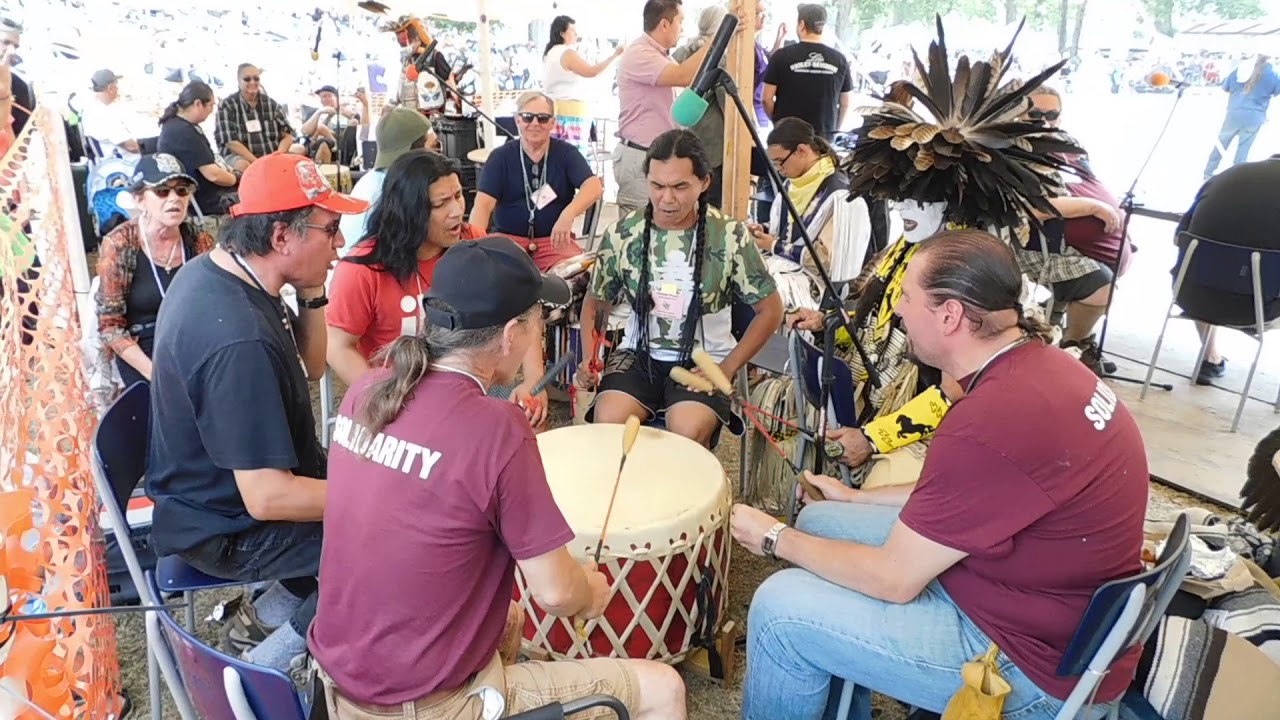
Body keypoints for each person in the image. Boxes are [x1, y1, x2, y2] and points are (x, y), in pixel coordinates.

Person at [732, 230, 1148, 720]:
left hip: (1029, 666)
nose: (898, 310)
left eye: (907, 297)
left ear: (949, 315)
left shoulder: (988, 420)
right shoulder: (1042, 365)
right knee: (822, 520)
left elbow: (894, 579)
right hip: (1043, 610)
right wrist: (857, 498)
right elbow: (973, 491)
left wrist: (773, 537)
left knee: (779, 610)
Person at [309, 237, 686, 719]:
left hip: (337, 680)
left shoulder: (368, 387)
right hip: (422, 706)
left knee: (508, 617)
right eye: (537, 323)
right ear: (510, 335)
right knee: (663, 688)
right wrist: (589, 593)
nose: (536, 336)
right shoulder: (495, 428)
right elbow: (556, 594)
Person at [145, 154, 368, 674]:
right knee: (387, 539)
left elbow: (313, 366)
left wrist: (312, 291)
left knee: (376, 501)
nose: (340, 244)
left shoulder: (224, 271)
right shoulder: (237, 339)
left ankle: (265, 616)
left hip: (217, 497)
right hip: (225, 526)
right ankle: (261, 672)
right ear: (281, 237)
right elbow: (268, 497)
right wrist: (378, 495)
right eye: (331, 230)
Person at [579, 129, 783, 448]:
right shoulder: (622, 234)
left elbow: (770, 310)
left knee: (686, 434)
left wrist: (727, 368)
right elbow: (596, 304)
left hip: (706, 359)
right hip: (638, 352)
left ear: (704, 182)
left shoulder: (729, 236)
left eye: (680, 186)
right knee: (609, 424)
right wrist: (588, 357)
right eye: (657, 186)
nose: (667, 198)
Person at [1015, 86, 1126, 375]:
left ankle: (1066, 330)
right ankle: (1072, 347)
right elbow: (1030, 208)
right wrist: (1092, 207)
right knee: (1101, 286)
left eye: (1052, 114)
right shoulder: (1011, 151)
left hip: (1077, 244)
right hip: (1035, 245)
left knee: (1104, 274)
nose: (1044, 121)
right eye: (1034, 114)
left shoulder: (1067, 144)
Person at [96, 154, 214, 387]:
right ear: (139, 200)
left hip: (194, 342)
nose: (174, 198)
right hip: (142, 348)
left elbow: (216, 303)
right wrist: (155, 373)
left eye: (182, 190)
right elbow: (110, 325)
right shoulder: (119, 244)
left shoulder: (199, 239)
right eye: (162, 191)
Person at [1173, 153, 1280, 385]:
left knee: (1204, 264)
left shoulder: (1227, 175)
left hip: (1191, 296)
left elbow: (1179, 237)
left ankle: (1210, 357)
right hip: (1258, 311)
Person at [612, 0, 723, 215]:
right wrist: (718, 38)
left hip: (657, 155)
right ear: (664, 24)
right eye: (680, 22)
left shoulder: (662, 55)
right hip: (640, 155)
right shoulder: (640, 53)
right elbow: (683, 75)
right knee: (638, 226)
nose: (682, 29)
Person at [469, 91, 601, 270]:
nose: (535, 123)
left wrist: (567, 215)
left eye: (543, 118)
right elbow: (482, 205)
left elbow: (593, 186)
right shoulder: (500, 157)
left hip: (553, 242)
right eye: (527, 117)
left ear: (552, 123)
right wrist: (473, 247)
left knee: (579, 273)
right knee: (491, 275)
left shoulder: (566, 153)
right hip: (507, 242)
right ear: (517, 120)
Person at [749, 118, 848, 287]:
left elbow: (827, 259)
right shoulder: (793, 182)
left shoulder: (839, 194)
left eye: (780, 161)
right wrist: (762, 230)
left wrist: (773, 245)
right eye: (774, 163)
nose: (778, 168)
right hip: (782, 267)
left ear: (801, 150)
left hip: (814, 280)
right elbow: (788, 228)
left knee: (756, 287)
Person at [337, 107, 435, 254]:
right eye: (429, 146)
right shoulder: (399, 188)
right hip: (365, 264)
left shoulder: (370, 179)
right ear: (417, 150)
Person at [761, 4, 852, 140]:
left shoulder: (781, 56)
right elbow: (846, 103)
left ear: (802, 24)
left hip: (787, 137)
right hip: (822, 138)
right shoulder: (840, 60)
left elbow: (766, 99)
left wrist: (779, 124)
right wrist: (832, 130)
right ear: (822, 26)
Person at [156, 80, 240, 225]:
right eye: (211, 105)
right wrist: (237, 179)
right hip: (207, 198)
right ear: (198, 104)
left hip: (199, 191)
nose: (212, 110)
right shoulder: (184, 132)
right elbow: (213, 175)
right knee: (256, 195)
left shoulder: (174, 124)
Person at [541, 15, 623, 162]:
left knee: (557, 158)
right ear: (562, 33)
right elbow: (591, 71)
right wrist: (614, 56)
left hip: (556, 109)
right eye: (573, 31)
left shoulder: (550, 53)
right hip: (570, 113)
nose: (576, 35)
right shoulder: (566, 53)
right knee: (573, 159)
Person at [1204, 54, 1278, 180]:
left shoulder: (1241, 69)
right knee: (1243, 150)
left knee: (1221, 144)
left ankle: (1208, 172)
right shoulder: (1272, 73)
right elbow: (1276, 91)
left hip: (1233, 114)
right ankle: (1236, 177)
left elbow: (1225, 87)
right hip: (1254, 117)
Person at [214, 63, 298, 172]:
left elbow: (287, 135)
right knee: (242, 165)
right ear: (238, 81)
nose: (252, 82)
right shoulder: (227, 105)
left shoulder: (271, 103)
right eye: (247, 79)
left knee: (299, 153)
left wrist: (278, 155)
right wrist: (258, 162)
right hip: (242, 157)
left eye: (256, 78)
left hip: (272, 155)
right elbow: (230, 142)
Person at [81, 69, 140, 160]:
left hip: (105, 160)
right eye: (116, 85)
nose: (118, 88)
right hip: (125, 163)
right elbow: (132, 147)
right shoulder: (105, 117)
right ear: (110, 88)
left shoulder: (91, 108)